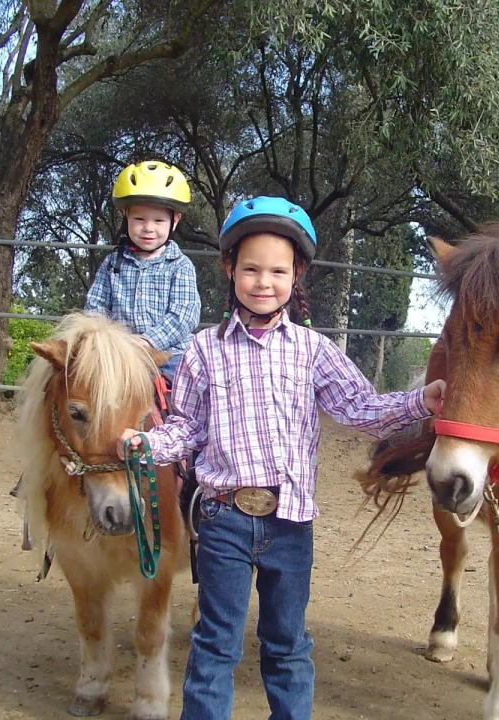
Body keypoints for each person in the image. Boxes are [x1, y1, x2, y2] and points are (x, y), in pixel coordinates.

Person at [117, 196, 446, 720]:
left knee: (288, 642)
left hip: (291, 522)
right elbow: (188, 427)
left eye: (277, 270)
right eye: (250, 269)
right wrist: (147, 444)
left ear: (297, 275)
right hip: (221, 518)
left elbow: (359, 407)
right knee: (215, 641)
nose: (263, 282)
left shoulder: (313, 350)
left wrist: (418, 401)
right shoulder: (204, 350)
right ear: (229, 270)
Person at [85, 159, 201, 386]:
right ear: (126, 216)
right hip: (120, 353)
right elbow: (95, 307)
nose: (148, 228)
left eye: (158, 220)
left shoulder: (180, 265)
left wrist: (149, 341)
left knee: (188, 386)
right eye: (139, 219)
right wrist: (110, 341)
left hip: (169, 353)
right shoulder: (112, 264)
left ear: (174, 221)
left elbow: (184, 315)